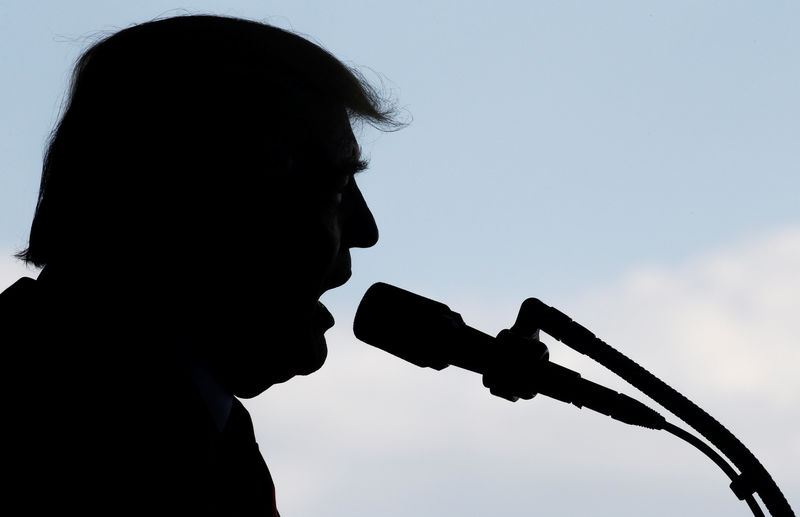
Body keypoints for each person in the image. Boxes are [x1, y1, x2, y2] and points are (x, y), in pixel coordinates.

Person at [0, 14, 400, 515]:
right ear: (203, 197)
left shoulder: (199, 430)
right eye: (335, 186)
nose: (366, 231)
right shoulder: (94, 437)